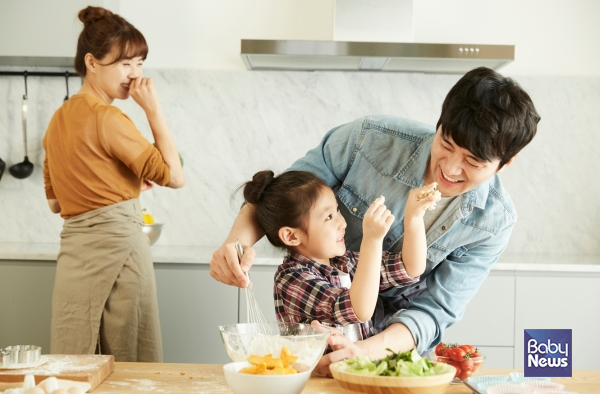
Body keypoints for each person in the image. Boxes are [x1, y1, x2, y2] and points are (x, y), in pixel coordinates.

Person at [210, 66, 540, 374]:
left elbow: (435, 308)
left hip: (394, 359)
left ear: (505, 163)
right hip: (318, 358)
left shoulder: (494, 221)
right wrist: (235, 244)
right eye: (446, 144)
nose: (450, 169)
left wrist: (367, 351)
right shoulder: (369, 139)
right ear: (439, 125)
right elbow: (280, 196)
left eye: (472, 161)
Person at [42, 6, 184, 362]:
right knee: (129, 358)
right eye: (125, 64)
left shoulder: (58, 119)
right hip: (121, 248)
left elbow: (57, 204)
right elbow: (175, 176)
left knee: (76, 360)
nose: (134, 75)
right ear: (92, 62)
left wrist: (124, 180)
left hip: (75, 257)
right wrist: (153, 110)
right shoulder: (108, 117)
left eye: (139, 63)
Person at [240, 170, 440, 339]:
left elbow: (410, 267)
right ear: (291, 236)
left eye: (337, 211)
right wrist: (372, 239)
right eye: (329, 217)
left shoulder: (347, 262)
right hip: (314, 381)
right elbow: (357, 309)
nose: (342, 223)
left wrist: (414, 217)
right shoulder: (292, 278)